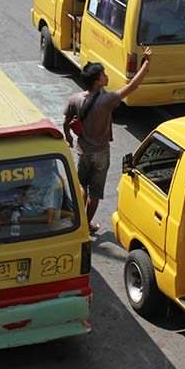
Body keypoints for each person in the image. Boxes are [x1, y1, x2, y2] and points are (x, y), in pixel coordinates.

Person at [63, 48, 154, 233]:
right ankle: (86, 226)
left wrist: (69, 138)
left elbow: (66, 122)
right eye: (103, 75)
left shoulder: (75, 99)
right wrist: (146, 63)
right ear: (97, 81)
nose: (106, 76)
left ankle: (79, 223)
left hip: (83, 152)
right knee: (95, 194)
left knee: (82, 187)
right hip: (101, 153)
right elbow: (133, 86)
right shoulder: (107, 100)